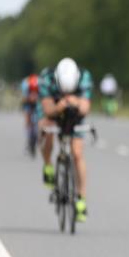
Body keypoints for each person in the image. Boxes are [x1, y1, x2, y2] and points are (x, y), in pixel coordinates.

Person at [38, 58, 93, 222]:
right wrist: (59, 107)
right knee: (46, 129)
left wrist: (75, 102)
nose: (67, 94)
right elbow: (47, 109)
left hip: (75, 115)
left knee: (77, 153)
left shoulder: (84, 77)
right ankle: (48, 164)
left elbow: (85, 108)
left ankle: (81, 200)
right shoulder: (47, 78)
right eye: (64, 91)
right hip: (53, 113)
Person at [20, 73, 40, 156]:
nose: (34, 93)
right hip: (28, 104)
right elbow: (24, 99)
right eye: (32, 91)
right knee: (28, 120)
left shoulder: (40, 85)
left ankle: (38, 138)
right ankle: (28, 139)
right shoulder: (25, 85)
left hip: (37, 104)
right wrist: (29, 99)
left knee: (39, 121)